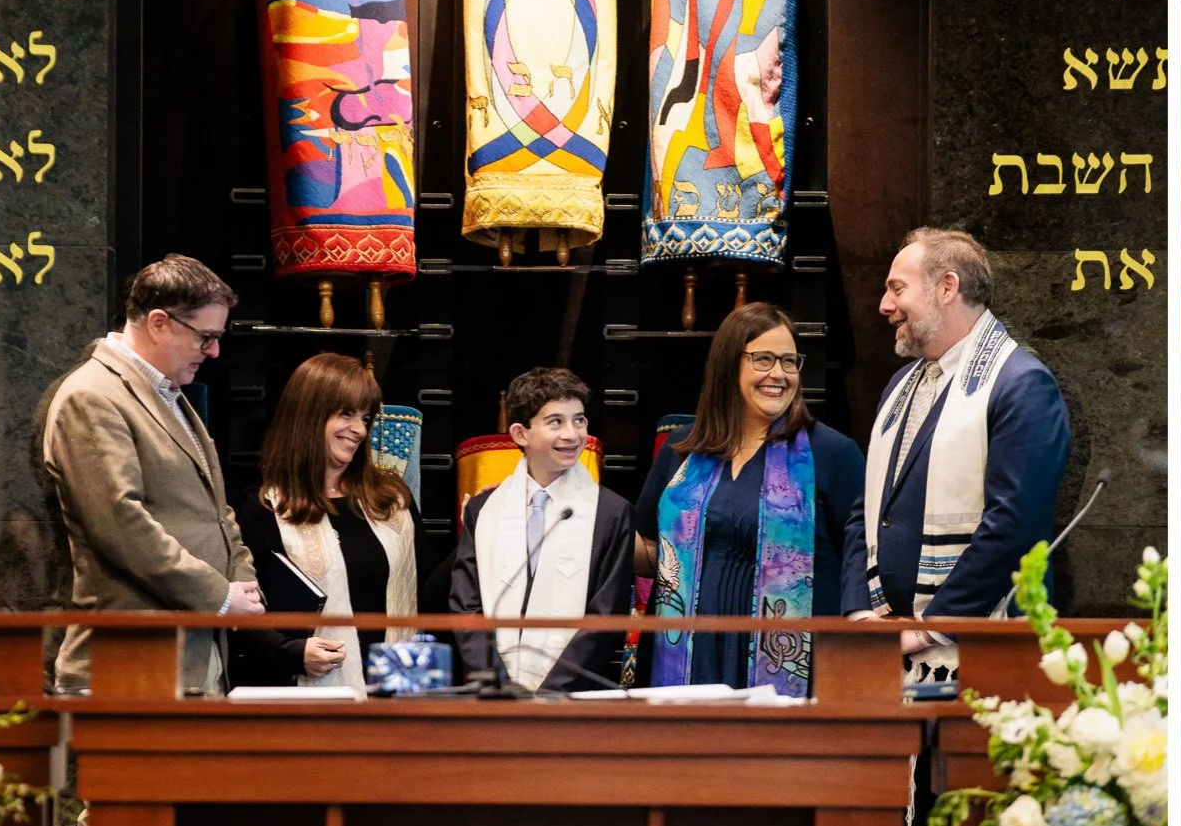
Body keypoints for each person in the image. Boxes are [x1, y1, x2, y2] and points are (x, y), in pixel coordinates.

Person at [39, 255, 264, 826]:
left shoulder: (167, 395)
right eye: (203, 337)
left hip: (189, 654)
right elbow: (121, 525)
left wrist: (239, 580)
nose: (212, 354)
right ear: (159, 322)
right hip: (126, 659)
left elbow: (215, 510)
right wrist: (216, 595)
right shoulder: (93, 397)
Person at [845, 229, 1070, 681]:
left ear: (947, 287)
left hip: (981, 645)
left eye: (897, 289)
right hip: (887, 637)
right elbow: (864, 512)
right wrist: (858, 613)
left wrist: (931, 628)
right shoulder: (899, 386)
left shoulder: (1022, 385)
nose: (884, 306)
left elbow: (1013, 527)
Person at [634, 309, 863, 692]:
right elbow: (651, 552)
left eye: (789, 361)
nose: (779, 373)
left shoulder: (833, 455)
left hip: (793, 664)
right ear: (728, 364)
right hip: (686, 657)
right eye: (763, 359)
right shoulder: (682, 449)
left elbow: (860, 563)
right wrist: (590, 524)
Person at [235, 353, 419, 689]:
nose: (359, 429)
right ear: (308, 415)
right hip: (308, 702)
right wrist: (289, 652)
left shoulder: (392, 500)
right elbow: (242, 612)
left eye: (365, 418)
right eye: (346, 414)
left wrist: (477, 521)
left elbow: (429, 595)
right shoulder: (264, 509)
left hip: (393, 696)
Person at [452, 367, 636, 694]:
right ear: (521, 434)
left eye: (579, 420)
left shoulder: (611, 512)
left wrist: (549, 692)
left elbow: (604, 616)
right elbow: (467, 605)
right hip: (496, 694)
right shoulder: (484, 510)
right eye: (556, 422)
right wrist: (499, 683)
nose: (572, 434)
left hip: (573, 695)